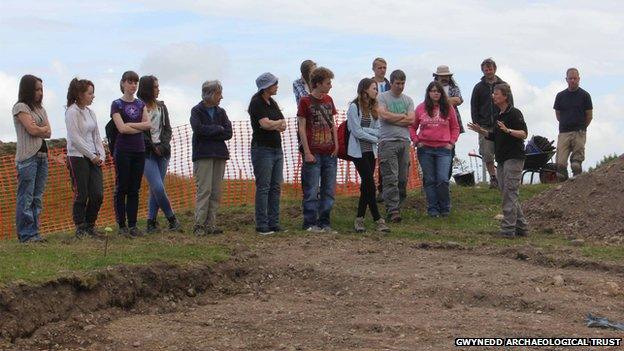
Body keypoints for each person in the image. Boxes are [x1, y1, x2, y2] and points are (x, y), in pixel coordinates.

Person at [468, 83, 528, 238]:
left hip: (514, 158)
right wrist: (481, 131)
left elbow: (523, 133)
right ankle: (522, 227)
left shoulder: (514, 113)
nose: (493, 96)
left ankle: (508, 230)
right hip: (501, 159)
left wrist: (508, 130)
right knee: (507, 192)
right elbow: (496, 136)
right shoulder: (498, 116)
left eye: (496, 93)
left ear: (505, 96)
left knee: (510, 192)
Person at [137, 75, 181, 234]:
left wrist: (163, 146)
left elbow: (167, 129)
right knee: (157, 187)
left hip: (163, 152)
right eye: (155, 86)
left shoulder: (162, 106)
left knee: (156, 189)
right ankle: (172, 219)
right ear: (148, 89)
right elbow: (139, 131)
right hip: (146, 153)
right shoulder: (138, 107)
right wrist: (151, 146)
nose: (158, 89)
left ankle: (151, 222)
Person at [110, 71, 152, 237]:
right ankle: (122, 225)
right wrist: (136, 126)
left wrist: (130, 125)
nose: (133, 85)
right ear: (123, 83)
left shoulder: (141, 104)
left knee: (135, 188)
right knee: (122, 187)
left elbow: (148, 125)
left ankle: (133, 224)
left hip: (139, 150)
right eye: (130, 82)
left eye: (135, 82)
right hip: (123, 150)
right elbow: (121, 128)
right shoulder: (116, 104)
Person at [297, 67, 339, 233]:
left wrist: (336, 145)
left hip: (329, 151)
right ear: (318, 83)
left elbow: (333, 124)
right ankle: (309, 222)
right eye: (328, 82)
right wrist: (306, 151)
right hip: (313, 151)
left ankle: (324, 222)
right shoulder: (305, 102)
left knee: (328, 189)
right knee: (312, 189)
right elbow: (301, 127)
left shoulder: (329, 100)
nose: (330, 86)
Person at [410, 81, 460, 217]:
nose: (435, 93)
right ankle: (433, 209)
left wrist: (452, 142)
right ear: (428, 93)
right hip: (425, 149)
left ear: (441, 93)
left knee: (443, 179)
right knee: (430, 179)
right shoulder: (421, 108)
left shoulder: (448, 108)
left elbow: (455, 127)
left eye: (438, 91)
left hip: (444, 149)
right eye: (432, 91)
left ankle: (445, 207)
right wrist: (416, 141)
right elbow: (412, 126)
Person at [347, 78, 390, 233]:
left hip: (371, 152)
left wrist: (368, 133)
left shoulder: (373, 107)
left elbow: (378, 130)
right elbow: (355, 131)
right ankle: (378, 219)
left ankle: (359, 219)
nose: (376, 91)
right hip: (358, 153)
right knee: (370, 184)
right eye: (373, 88)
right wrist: (373, 137)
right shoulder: (354, 107)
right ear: (365, 89)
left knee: (366, 187)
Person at [12, 74, 51, 243]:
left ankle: (35, 232)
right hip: (28, 157)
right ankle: (26, 234)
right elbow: (32, 130)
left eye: (41, 89)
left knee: (37, 197)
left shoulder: (40, 109)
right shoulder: (20, 107)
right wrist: (39, 128)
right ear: (28, 89)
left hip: (42, 155)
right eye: (36, 89)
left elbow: (49, 132)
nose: (40, 93)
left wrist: (39, 128)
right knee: (26, 197)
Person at [190, 80, 232, 236]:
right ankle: (199, 224)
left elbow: (228, 132)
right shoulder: (196, 111)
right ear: (210, 94)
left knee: (215, 191)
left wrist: (213, 131)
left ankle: (211, 224)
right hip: (203, 155)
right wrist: (217, 129)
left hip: (220, 155)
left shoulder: (221, 112)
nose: (221, 97)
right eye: (218, 93)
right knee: (204, 190)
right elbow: (199, 130)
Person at [65, 78, 105, 238]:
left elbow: (96, 136)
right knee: (82, 193)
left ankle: (90, 224)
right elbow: (75, 139)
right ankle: (80, 226)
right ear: (80, 95)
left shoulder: (91, 113)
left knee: (97, 194)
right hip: (77, 156)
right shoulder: (72, 112)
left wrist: (100, 154)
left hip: (94, 157)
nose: (93, 96)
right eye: (90, 93)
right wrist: (90, 155)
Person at [248, 72, 287, 235]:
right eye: (274, 83)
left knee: (275, 187)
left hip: (277, 149)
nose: (277, 86)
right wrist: (274, 124)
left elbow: (283, 124)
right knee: (264, 187)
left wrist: (274, 124)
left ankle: (274, 223)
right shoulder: (256, 103)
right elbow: (264, 124)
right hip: (262, 148)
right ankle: (262, 224)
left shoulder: (272, 103)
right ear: (266, 87)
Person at [377, 69, 415, 223]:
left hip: (404, 141)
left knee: (402, 178)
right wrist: (402, 117)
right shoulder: (382, 97)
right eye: (397, 83)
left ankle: (398, 204)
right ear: (391, 83)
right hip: (387, 141)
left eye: (402, 83)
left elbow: (411, 120)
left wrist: (395, 118)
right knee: (390, 177)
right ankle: (392, 210)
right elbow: (384, 116)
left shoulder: (408, 100)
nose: (400, 86)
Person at [470, 58, 513, 188]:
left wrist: (509, 120)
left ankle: (503, 177)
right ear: (483, 71)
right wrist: (476, 123)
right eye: (486, 69)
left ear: (495, 69)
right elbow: (474, 106)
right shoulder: (478, 87)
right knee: (487, 153)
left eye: (490, 68)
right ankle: (493, 178)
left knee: (502, 152)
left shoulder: (503, 85)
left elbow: (511, 103)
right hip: (484, 124)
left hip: (501, 124)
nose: (488, 71)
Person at [554, 68, 593, 179]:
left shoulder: (585, 95)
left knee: (576, 164)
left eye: (575, 78)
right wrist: (565, 123)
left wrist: (582, 127)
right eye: (570, 78)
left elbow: (589, 115)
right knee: (560, 165)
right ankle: (563, 187)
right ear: (566, 79)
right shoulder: (560, 96)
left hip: (579, 131)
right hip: (564, 132)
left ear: (579, 79)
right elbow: (558, 114)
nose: (572, 80)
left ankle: (577, 183)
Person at [433, 65, 464, 179]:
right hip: (434, 124)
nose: (444, 78)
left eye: (446, 76)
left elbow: (459, 100)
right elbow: (430, 101)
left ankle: (446, 178)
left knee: (450, 150)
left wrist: (440, 101)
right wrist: (449, 101)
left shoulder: (453, 87)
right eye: (442, 76)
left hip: (452, 123)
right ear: (437, 77)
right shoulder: (433, 87)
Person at [371, 57, 390, 201]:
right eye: (379, 68)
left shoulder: (390, 84)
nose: (382, 70)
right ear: (374, 69)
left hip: (387, 122)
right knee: (372, 157)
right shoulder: (369, 84)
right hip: (373, 121)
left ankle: (383, 189)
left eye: (384, 67)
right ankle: (369, 187)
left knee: (385, 157)